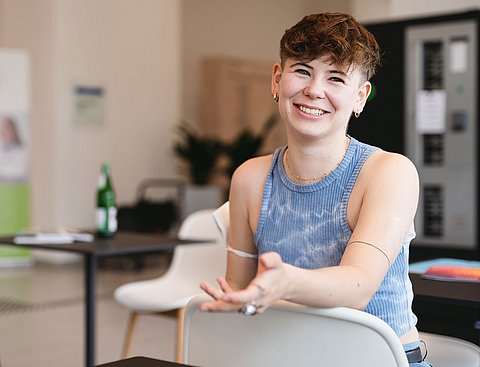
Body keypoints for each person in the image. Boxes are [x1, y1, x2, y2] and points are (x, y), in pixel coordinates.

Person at [199, 12, 431, 367]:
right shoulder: (249, 178)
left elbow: (358, 286)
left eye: (336, 78)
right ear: (278, 79)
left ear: (360, 97)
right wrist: (237, 302)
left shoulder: (389, 172)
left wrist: (285, 283)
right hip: (286, 356)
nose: (314, 90)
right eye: (302, 70)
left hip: (379, 360)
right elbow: (241, 297)